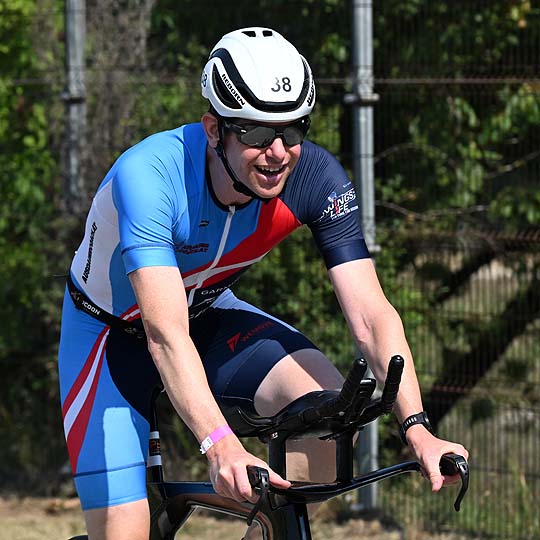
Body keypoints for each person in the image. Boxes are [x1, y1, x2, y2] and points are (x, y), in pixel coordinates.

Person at [58, 27, 468, 540]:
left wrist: (418, 428)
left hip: (206, 315)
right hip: (108, 338)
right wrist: (220, 444)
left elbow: (371, 314)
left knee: (324, 421)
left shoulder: (314, 177)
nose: (277, 152)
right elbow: (164, 334)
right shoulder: (150, 175)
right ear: (214, 129)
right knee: (125, 533)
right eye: (254, 133)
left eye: (292, 130)